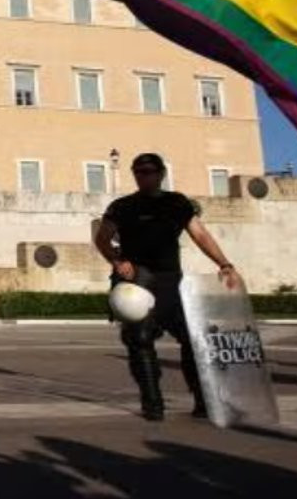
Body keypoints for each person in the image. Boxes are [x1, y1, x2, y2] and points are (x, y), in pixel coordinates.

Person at [93, 153, 239, 421]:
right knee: (140, 340)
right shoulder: (122, 206)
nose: (143, 175)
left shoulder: (177, 202)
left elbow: (200, 235)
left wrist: (224, 264)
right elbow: (101, 238)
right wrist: (117, 260)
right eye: (138, 171)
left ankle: (203, 400)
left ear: (161, 173)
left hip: (171, 281)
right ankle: (152, 403)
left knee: (193, 339)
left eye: (148, 171)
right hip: (136, 280)